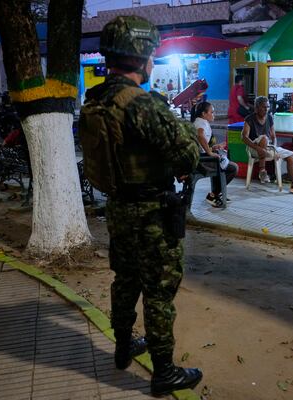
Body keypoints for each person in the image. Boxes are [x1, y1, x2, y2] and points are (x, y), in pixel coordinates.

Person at [86, 15, 202, 396]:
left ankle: (123, 346)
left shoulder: (97, 99)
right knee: (159, 290)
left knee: (126, 280)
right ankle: (164, 372)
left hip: (118, 208)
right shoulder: (143, 105)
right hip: (152, 212)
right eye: (151, 54)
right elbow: (188, 158)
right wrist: (180, 124)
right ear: (140, 57)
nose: (153, 61)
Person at [242, 96, 293, 195]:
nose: (266, 109)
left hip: (268, 147)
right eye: (263, 107)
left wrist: (275, 149)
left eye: (268, 107)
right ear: (256, 108)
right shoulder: (249, 119)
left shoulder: (269, 117)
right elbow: (244, 137)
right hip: (254, 148)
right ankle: (262, 171)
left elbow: (273, 136)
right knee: (264, 138)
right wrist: (258, 148)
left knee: (291, 155)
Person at [192, 101, 239, 207]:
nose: (214, 114)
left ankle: (216, 194)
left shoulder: (200, 122)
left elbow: (200, 143)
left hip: (201, 157)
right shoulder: (201, 123)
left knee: (221, 164)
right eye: (212, 112)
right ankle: (213, 194)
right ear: (204, 114)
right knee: (233, 168)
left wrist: (213, 148)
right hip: (201, 161)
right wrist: (209, 152)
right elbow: (200, 135)